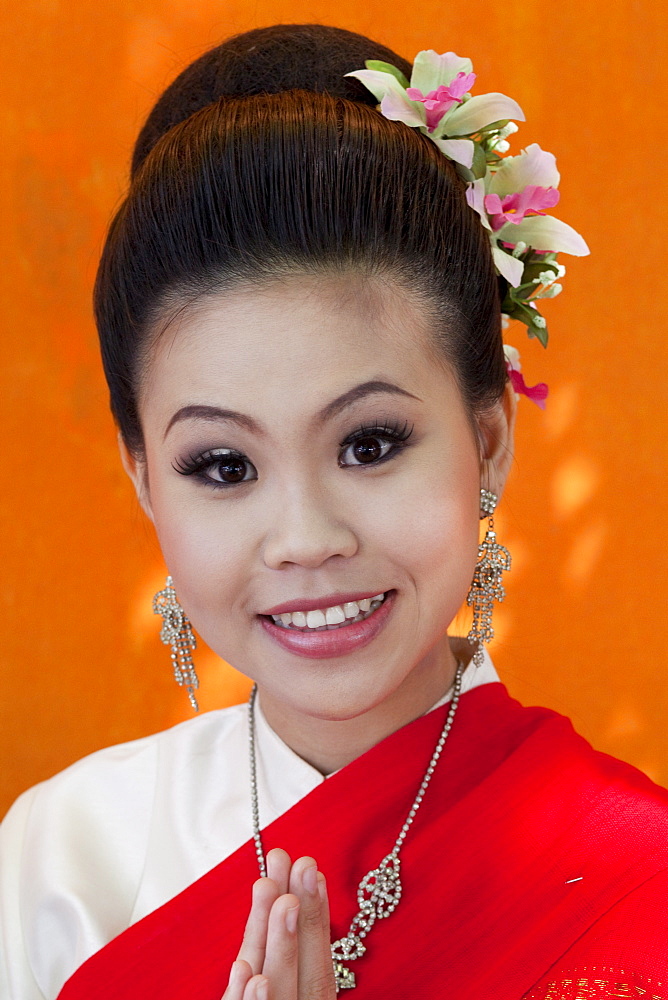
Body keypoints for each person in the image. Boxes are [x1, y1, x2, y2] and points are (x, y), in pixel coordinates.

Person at [1, 22, 667, 1000]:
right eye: (223, 465)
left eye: (369, 444)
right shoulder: (62, 862)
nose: (306, 538)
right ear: (144, 477)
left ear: (487, 442)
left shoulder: (631, 881)